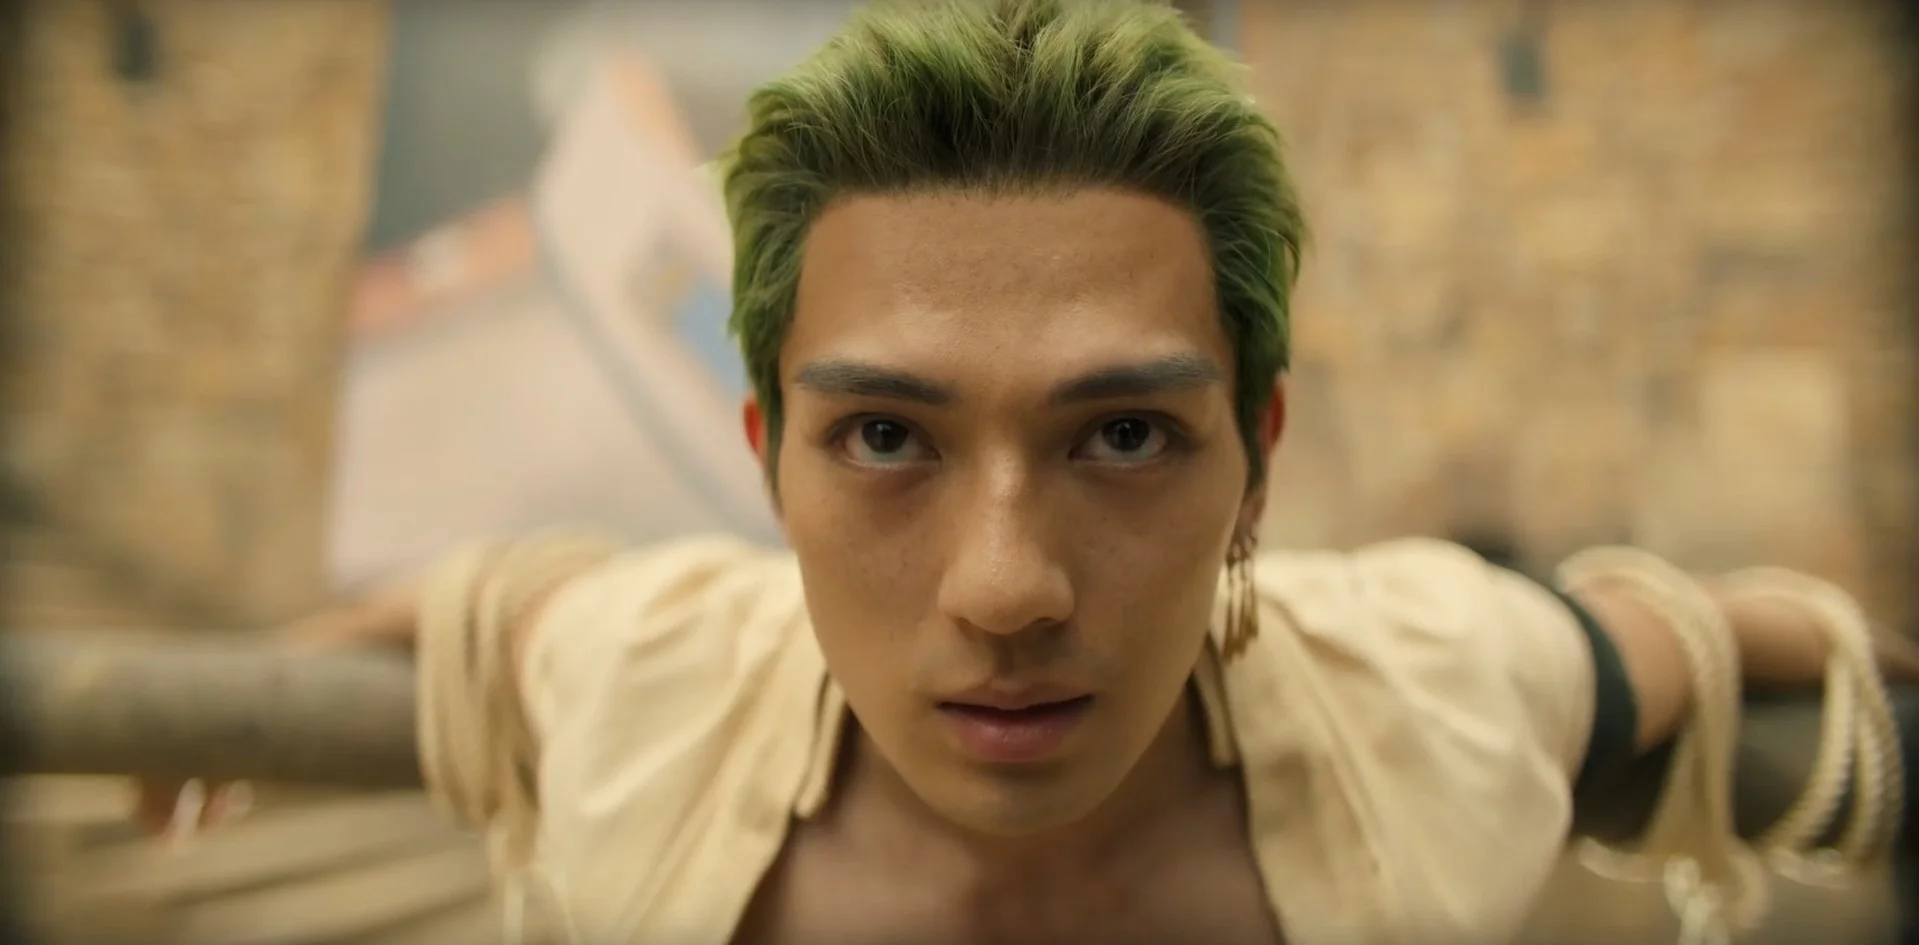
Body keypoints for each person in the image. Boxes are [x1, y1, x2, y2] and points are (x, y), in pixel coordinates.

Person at [148, 1, 1919, 942]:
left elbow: (1645, 638)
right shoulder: (650, 689)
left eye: (1124, 435)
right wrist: (312, 662)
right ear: (768, 462)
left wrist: (1815, 642)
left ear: (1256, 465)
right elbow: (516, 612)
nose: (1005, 590)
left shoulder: (1432, 702)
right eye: (887, 439)